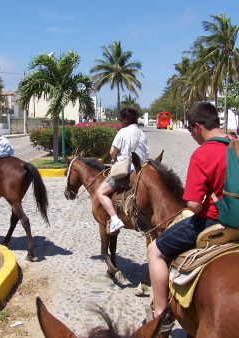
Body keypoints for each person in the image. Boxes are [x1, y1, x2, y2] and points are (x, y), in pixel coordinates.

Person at [146, 102, 228, 332]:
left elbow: (192, 205)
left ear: (198, 126)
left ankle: (161, 316)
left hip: (214, 221)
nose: (192, 136)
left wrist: (200, 207)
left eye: (191, 130)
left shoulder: (203, 153)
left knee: (155, 251)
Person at [96, 107, 149, 234]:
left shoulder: (122, 132)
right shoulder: (143, 134)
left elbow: (112, 152)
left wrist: (114, 159)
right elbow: (146, 154)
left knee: (100, 192)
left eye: (121, 120)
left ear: (124, 120)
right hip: (141, 171)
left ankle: (115, 220)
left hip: (126, 171)